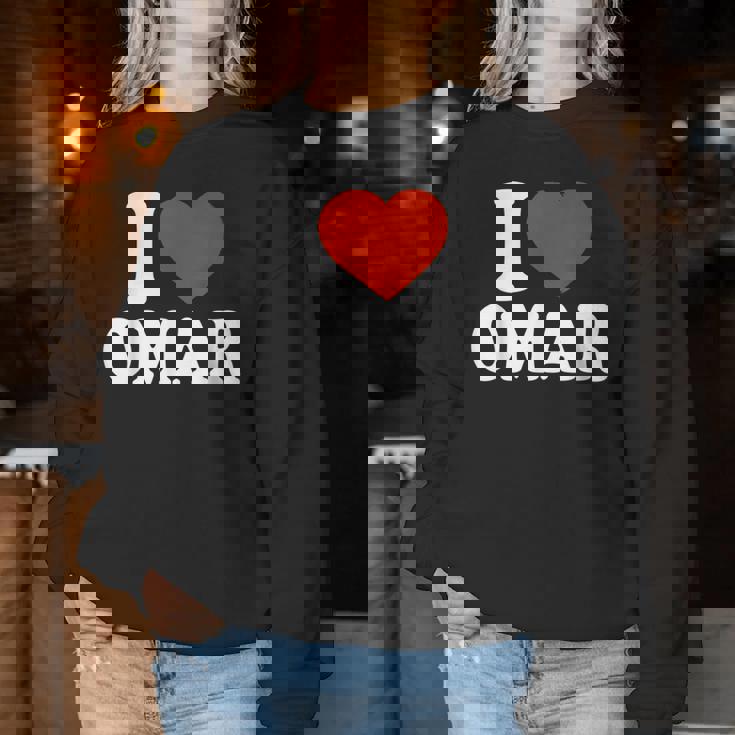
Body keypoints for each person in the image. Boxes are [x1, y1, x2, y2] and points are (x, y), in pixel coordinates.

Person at [407, 1, 692, 733]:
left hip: (592, 592)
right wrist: (435, 544)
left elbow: (656, 402)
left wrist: (660, 646)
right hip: (476, 587)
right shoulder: (476, 155)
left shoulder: (620, 152)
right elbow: (445, 369)